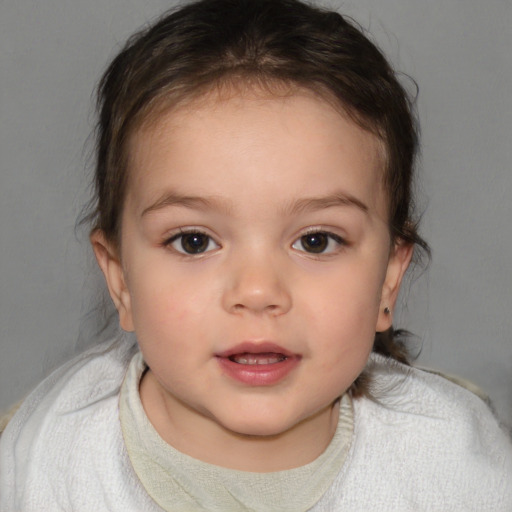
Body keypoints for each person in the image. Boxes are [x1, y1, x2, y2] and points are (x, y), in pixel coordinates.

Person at [1, 0, 511, 510]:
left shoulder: (453, 462)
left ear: (388, 280)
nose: (258, 291)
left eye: (316, 240)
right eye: (194, 241)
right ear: (121, 281)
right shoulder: (41, 460)